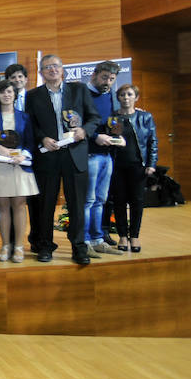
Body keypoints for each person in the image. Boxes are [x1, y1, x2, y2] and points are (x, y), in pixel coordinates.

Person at [25, 54, 99, 265]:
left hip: (74, 154)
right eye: (47, 67)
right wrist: (42, 138)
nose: (52, 70)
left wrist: (84, 130)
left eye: (56, 66)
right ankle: (46, 246)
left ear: (62, 69)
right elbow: (30, 124)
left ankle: (78, 247)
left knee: (76, 204)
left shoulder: (79, 90)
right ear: (41, 73)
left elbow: (94, 117)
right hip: (48, 156)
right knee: (45, 204)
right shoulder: (33, 96)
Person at [0, 80, 39, 263]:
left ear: (15, 95)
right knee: (2, 206)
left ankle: (19, 247)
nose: (7, 95)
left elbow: (30, 141)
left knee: (19, 205)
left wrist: (23, 155)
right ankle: (6, 245)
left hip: (18, 166)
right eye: (3, 92)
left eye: (10, 92)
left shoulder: (25, 117)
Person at [111, 84, 157, 253]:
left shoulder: (145, 117)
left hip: (139, 167)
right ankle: (123, 235)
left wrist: (151, 164)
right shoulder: (114, 117)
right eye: (122, 94)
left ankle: (135, 236)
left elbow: (153, 142)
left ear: (136, 97)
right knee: (120, 201)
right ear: (118, 98)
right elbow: (112, 139)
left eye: (129, 94)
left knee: (137, 202)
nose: (126, 97)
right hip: (118, 166)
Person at [83, 61, 123, 258]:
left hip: (107, 156)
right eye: (104, 77)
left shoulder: (111, 97)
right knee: (88, 201)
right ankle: (84, 241)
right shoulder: (83, 94)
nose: (108, 82)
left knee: (100, 200)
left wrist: (118, 137)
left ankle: (98, 240)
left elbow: (114, 122)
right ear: (94, 75)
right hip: (89, 154)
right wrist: (94, 136)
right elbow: (74, 123)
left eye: (112, 79)